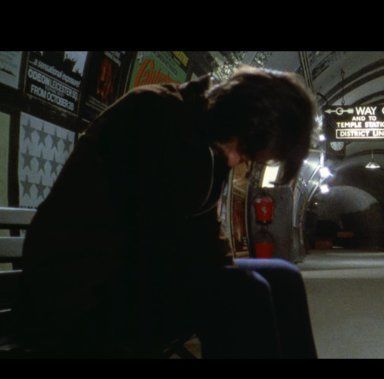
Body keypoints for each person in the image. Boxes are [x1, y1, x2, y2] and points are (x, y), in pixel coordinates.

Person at [16, 65, 318, 358]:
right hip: (81, 290)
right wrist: (219, 275)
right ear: (241, 117)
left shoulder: (206, 133)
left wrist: (221, 266)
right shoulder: (153, 114)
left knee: (283, 278)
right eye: (244, 150)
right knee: (244, 292)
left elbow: (202, 233)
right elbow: (150, 237)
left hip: (137, 272)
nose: (237, 161)